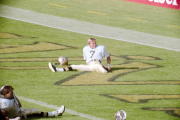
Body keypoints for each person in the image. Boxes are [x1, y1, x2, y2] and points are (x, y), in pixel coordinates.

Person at [0, 85, 65, 120]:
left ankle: (55, 113)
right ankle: (56, 113)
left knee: (35, 111)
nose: (12, 93)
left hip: (17, 111)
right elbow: (3, 117)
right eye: (11, 93)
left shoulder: (7, 91)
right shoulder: (5, 104)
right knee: (36, 111)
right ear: (6, 94)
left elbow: (15, 98)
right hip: (14, 115)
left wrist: (21, 108)